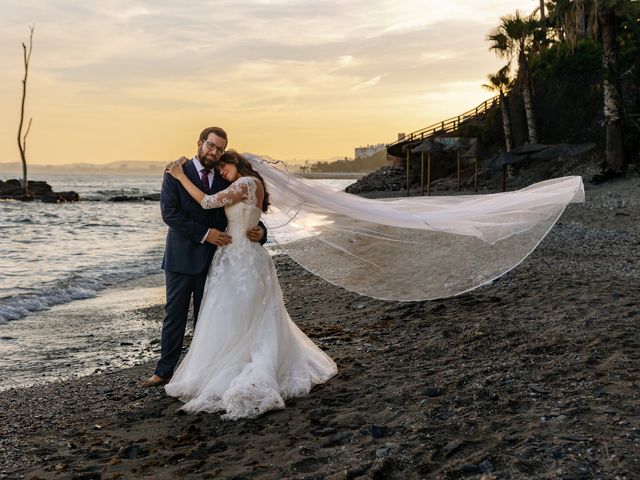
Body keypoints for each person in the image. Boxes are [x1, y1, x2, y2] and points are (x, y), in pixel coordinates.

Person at [162, 151, 337, 419]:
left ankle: (240, 366)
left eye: (224, 165)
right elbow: (243, 216)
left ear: (237, 163)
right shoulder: (248, 184)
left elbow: (210, 203)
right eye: (218, 167)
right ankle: (193, 367)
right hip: (233, 257)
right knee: (243, 315)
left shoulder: (244, 183)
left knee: (241, 314)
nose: (221, 170)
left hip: (241, 259)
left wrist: (179, 176)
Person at [141, 127, 267, 389]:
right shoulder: (176, 173)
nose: (214, 152)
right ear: (199, 143)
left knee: (207, 316)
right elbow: (170, 214)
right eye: (211, 145)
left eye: (220, 148)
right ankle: (163, 371)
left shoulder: (226, 177)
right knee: (174, 314)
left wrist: (261, 231)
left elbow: (248, 209)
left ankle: (202, 370)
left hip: (216, 259)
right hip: (182, 255)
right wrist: (205, 234)